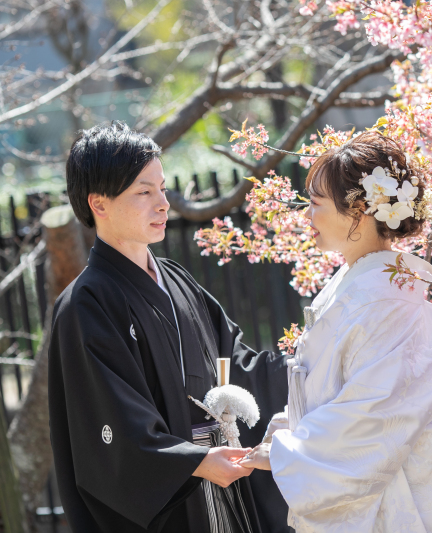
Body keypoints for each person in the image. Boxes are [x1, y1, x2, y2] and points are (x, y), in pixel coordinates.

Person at [49, 122, 289, 533]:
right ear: (99, 203)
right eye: (144, 192)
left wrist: (308, 363)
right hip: (175, 499)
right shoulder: (86, 304)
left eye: (162, 188)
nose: (162, 203)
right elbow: (110, 427)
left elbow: (235, 361)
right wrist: (192, 461)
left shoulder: (176, 280)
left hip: (224, 482)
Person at [239, 131, 432, 532]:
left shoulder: (388, 306)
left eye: (316, 204)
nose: (307, 216)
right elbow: (335, 393)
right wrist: (285, 432)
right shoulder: (362, 290)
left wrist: (288, 451)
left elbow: (371, 419)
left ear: (357, 213)